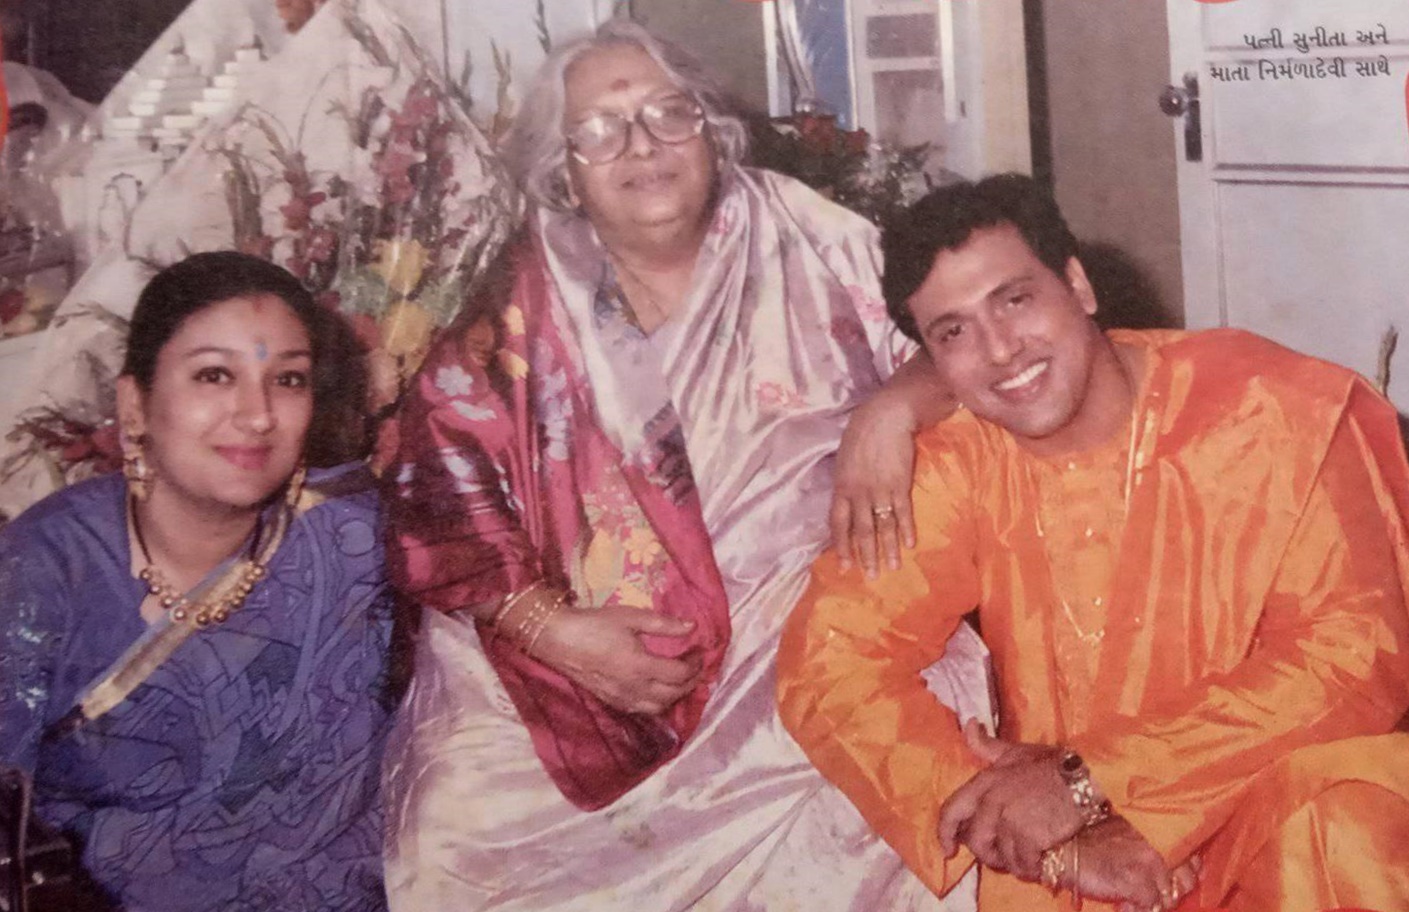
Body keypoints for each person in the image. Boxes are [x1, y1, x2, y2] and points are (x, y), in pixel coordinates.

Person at [380, 18, 989, 912]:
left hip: (807, 620)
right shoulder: (522, 296)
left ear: (710, 127)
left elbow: (965, 336)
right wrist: (551, 630)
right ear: (565, 171)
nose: (640, 145)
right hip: (583, 643)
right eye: (599, 129)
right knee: (457, 823)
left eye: (668, 113)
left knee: (901, 783)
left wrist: (891, 408)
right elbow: (437, 485)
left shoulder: (806, 235)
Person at [777, 173, 1409, 912]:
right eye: (953, 331)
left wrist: (1089, 780)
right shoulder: (957, 463)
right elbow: (831, 665)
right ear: (930, 360)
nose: (1001, 351)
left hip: (1263, 819)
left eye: (1015, 300)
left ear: (1076, 285)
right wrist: (1043, 833)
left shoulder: (1277, 410)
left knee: (1352, 813)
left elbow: (1351, 655)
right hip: (1079, 861)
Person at [0, 251, 395, 911]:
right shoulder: (46, 570)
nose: (258, 414)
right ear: (135, 404)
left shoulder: (351, 536)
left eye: (289, 379)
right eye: (215, 375)